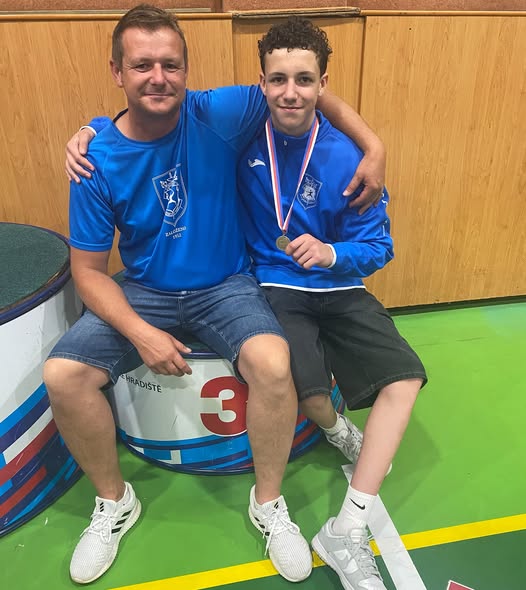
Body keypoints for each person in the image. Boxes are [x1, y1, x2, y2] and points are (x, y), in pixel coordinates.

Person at [48, 4, 387, 585]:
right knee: (63, 375)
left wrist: (374, 147)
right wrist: (141, 332)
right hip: (146, 291)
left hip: (226, 285)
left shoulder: (218, 112)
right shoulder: (94, 160)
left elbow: (305, 92)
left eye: (171, 65)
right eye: (142, 66)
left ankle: (269, 502)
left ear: (186, 69)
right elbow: (89, 272)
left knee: (273, 363)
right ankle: (114, 502)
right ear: (117, 72)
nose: (158, 77)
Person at [236, 17, 428, 590]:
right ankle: (337, 427)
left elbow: (380, 246)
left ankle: (348, 529)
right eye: (278, 79)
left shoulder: (350, 157)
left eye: (304, 79)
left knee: (405, 378)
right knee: (310, 391)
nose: (290, 92)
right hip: (277, 285)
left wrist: (333, 253)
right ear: (261, 83)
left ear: (323, 84)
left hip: (339, 286)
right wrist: (92, 131)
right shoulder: (239, 138)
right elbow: (162, 114)